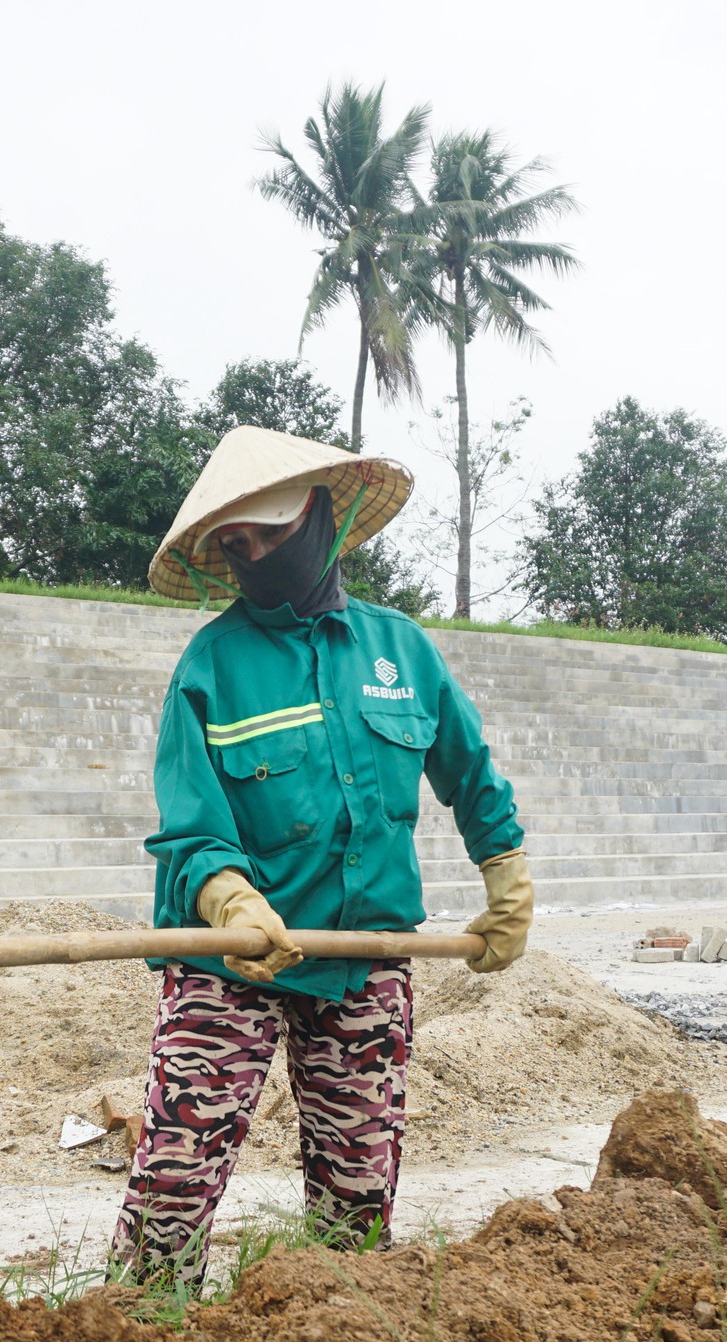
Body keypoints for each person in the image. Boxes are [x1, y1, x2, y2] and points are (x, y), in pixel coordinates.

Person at [111, 426, 531, 1285]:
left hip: (363, 962)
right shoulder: (212, 666)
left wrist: (506, 875)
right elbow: (191, 827)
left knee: (357, 1199)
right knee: (175, 1182)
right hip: (232, 960)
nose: (256, 553)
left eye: (270, 532)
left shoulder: (401, 652)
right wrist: (232, 901)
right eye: (236, 544)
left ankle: (331, 1333)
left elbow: (469, 770)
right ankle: (141, 1329)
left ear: (320, 515)